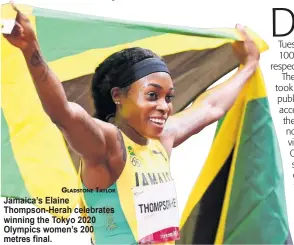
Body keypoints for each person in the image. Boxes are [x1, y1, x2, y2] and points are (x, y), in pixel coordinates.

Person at [3, 3, 260, 245]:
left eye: (168, 97)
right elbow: (63, 113)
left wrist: (249, 66)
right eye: (152, 95)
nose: (164, 105)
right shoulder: (107, 145)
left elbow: (210, 107)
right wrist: (31, 49)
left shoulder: (161, 140)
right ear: (118, 96)